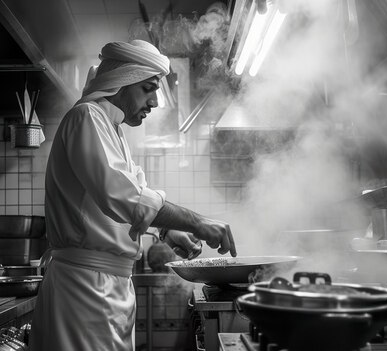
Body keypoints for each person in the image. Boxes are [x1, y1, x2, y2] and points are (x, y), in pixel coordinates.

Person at [29, 39, 236, 351]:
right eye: (148, 88)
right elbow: (127, 198)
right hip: (85, 290)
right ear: (121, 81)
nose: (154, 101)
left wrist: (167, 229)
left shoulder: (112, 129)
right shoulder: (87, 117)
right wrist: (199, 223)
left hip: (105, 288)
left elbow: (122, 201)